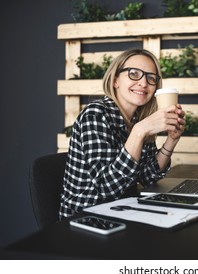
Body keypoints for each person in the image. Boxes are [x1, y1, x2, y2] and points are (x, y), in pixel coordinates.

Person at [59, 48, 186, 219]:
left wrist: (172, 140)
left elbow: (147, 176)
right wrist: (139, 131)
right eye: (134, 74)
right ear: (115, 80)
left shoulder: (137, 119)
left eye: (151, 78)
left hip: (124, 210)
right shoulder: (95, 115)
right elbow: (106, 188)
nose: (143, 83)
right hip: (85, 218)